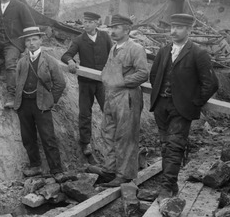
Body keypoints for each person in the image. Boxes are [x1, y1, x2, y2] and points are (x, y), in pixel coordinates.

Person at [149, 14, 218, 200]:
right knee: (165, 146)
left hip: (181, 109)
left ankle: (165, 188)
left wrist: (193, 102)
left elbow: (211, 83)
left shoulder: (198, 53)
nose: (173, 31)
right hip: (161, 106)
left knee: (175, 146)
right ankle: (171, 184)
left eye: (179, 27)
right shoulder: (164, 51)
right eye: (172, 26)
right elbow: (154, 76)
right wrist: (159, 96)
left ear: (189, 30)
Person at [87, 14, 148, 187]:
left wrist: (120, 82)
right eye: (111, 28)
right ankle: (110, 170)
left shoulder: (135, 49)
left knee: (125, 136)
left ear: (127, 30)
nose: (112, 31)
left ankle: (124, 174)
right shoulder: (113, 49)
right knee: (109, 134)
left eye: (116, 28)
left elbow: (143, 73)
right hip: (112, 97)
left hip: (127, 98)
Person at [13, 26, 67, 181]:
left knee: (48, 137)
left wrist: (51, 101)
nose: (31, 43)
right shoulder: (22, 61)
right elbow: (18, 81)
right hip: (24, 104)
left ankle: (56, 170)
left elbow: (60, 83)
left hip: (42, 105)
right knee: (28, 137)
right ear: (25, 43)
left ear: (41, 40)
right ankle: (35, 166)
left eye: (34, 39)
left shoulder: (49, 60)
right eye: (28, 40)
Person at [60, 12, 113, 157]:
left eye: (90, 22)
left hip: (103, 82)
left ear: (97, 23)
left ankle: (113, 141)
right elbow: (66, 55)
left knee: (108, 111)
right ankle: (85, 143)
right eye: (85, 22)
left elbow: (114, 55)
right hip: (86, 83)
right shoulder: (79, 39)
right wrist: (71, 61)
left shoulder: (105, 37)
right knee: (85, 113)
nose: (86, 25)